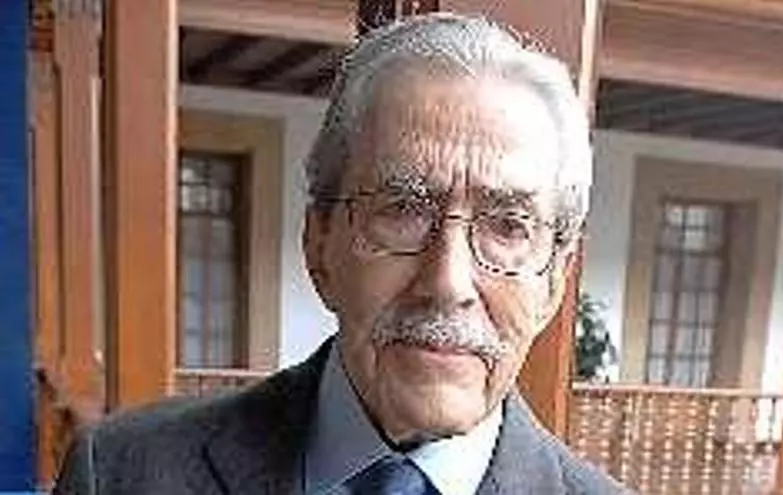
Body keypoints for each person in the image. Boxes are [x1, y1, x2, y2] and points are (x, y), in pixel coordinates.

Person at [53, 13, 629, 495]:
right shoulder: (121, 474)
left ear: (554, 281)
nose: (448, 282)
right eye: (403, 209)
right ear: (319, 242)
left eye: (508, 226)